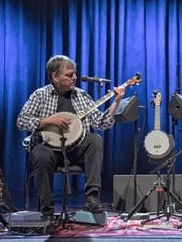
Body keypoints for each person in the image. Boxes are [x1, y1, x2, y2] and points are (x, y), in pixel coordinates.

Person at [17, 55, 125, 218]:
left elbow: (102, 124)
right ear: (54, 76)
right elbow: (21, 121)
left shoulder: (81, 96)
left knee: (95, 139)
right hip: (50, 150)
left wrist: (116, 102)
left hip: (76, 151)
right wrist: (48, 121)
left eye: (74, 74)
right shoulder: (40, 95)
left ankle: (92, 198)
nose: (74, 78)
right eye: (69, 75)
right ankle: (47, 211)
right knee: (39, 153)